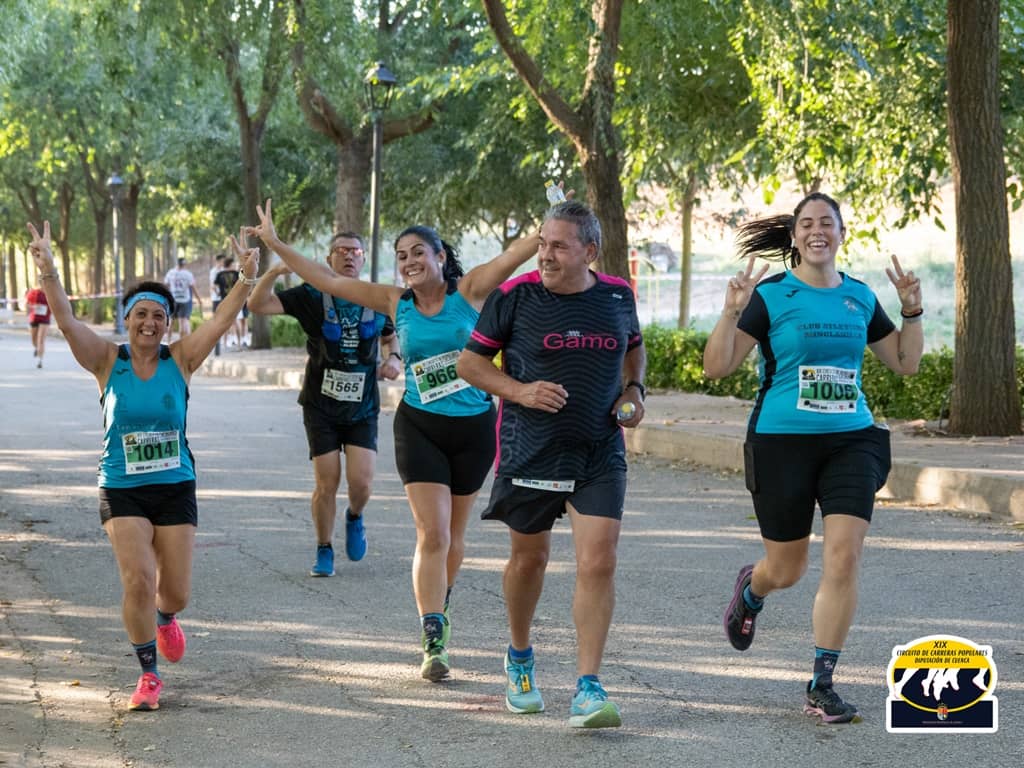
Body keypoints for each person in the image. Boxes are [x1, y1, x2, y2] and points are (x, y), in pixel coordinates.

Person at [246, 198, 540, 682]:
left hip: (473, 428)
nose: (409, 262)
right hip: (420, 425)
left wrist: (550, 224)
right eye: (402, 255)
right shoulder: (393, 302)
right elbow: (328, 281)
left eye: (418, 252)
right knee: (433, 534)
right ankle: (432, 635)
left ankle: (440, 604)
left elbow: (513, 256)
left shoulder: (470, 291)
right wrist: (276, 244)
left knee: (455, 538)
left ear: (440, 256)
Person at [702, 192, 924, 724]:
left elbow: (905, 362)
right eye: (806, 223)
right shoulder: (771, 295)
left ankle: (822, 683)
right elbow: (717, 367)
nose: (816, 230)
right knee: (787, 568)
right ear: (795, 236)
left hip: (852, 440)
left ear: (842, 233)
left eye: (827, 222)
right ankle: (752, 590)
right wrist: (731, 312)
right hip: (781, 442)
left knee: (844, 555)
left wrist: (911, 309)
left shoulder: (859, 296)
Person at [27, 220, 260, 712]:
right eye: (140, 314)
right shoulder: (105, 360)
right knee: (137, 578)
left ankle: (166, 617)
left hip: (175, 486)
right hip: (121, 486)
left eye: (158, 315)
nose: (149, 323)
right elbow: (66, 321)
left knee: (175, 593)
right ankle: (148, 674)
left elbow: (220, 321)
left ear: (168, 324)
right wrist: (49, 271)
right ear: (127, 319)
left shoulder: (183, 359)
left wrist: (245, 277)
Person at [456, 200, 646, 729]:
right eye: (542, 244)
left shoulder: (618, 295)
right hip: (530, 449)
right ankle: (519, 656)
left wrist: (634, 390)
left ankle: (588, 686)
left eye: (559, 246)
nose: (545, 254)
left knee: (599, 561)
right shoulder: (515, 297)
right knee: (529, 561)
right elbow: (469, 363)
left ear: (590, 252)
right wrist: (520, 391)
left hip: (599, 450)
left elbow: (633, 348)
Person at [247, 231, 402, 577]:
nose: (349, 256)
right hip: (321, 407)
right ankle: (324, 547)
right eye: (341, 251)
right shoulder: (311, 295)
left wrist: (394, 359)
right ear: (329, 259)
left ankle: (354, 516)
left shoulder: (378, 297)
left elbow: (391, 337)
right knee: (327, 481)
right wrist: (274, 272)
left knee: (362, 483)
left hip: (363, 407)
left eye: (356, 251)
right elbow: (258, 305)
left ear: (363, 259)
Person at [164, 257, 202, 341]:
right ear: (184, 264)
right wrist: (199, 299)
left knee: (171, 321)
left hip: (173, 299)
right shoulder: (188, 274)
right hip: (185, 300)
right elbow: (193, 287)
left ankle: (168, 342)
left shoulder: (171, 273)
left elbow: (166, 285)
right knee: (183, 321)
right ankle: (182, 342)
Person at [213, 257, 244, 348]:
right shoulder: (236, 273)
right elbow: (243, 285)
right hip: (236, 301)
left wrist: (218, 293)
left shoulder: (219, 274)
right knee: (237, 321)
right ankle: (239, 344)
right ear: (231, 264)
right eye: (233, 264)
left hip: (225, 301)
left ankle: (225, 342)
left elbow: (214, 286)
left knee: (225, 321)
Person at [25, 279, 52, 368]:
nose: (43, 285)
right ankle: (36, 348)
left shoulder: (50, 293)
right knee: (34, 340)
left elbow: (54, 305)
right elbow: (27, 304)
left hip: (45, 318)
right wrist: (33, 307)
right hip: (34, 318)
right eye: (42, 283)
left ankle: (40, 361)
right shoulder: (34, 292)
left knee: (41, 339)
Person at [209, 253, 226, 355]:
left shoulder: (223, 270)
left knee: (224, 319)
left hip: (224, 298)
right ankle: (215, 342)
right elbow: (212, 285)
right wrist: (218, 293)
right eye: (222, 261)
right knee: (216, 319)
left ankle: (223, 341)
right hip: (216, 298)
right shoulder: (214, 271)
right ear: (218, 261)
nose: (223, 262)